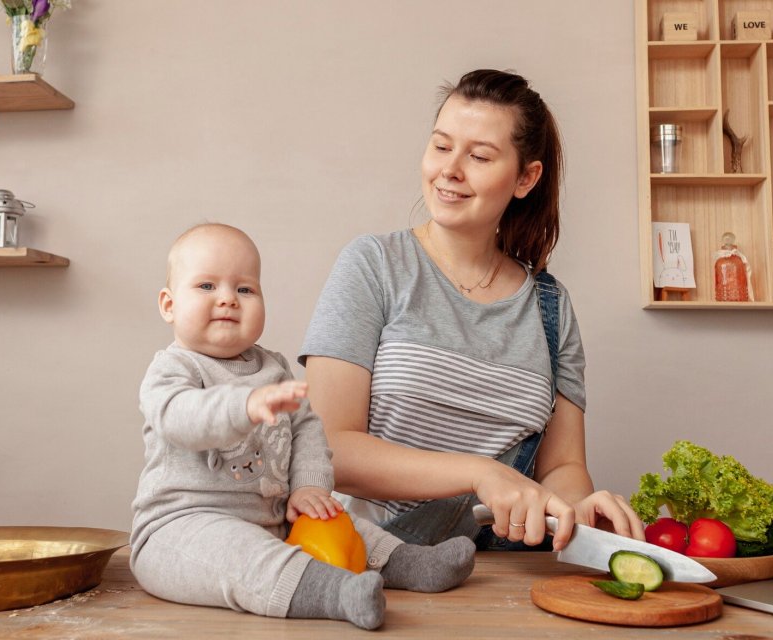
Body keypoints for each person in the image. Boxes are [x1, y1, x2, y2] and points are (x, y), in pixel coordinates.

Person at [299, 69, 645, 551]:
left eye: (479, 155)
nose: (450, 170)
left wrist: (578, 509)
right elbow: (328, 448)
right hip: (368, 560)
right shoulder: (374, 266)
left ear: (526, 177)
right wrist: (479, 473)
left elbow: (562, 468)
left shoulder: (551, 307)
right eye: (441, 146)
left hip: (501, 575)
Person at [130, 223, 475, 630]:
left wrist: (311, 487)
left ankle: (408, 562)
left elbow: (307, 429)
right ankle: (336, 594)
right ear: (169, 305)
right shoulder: (173, 369)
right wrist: (244, 405)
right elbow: (181, 418)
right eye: (206, 286)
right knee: (244, 557)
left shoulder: (273, 367)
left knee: (339, 521)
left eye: (245, 289)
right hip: (183, 530)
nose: (228, 299)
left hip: (273, 519)